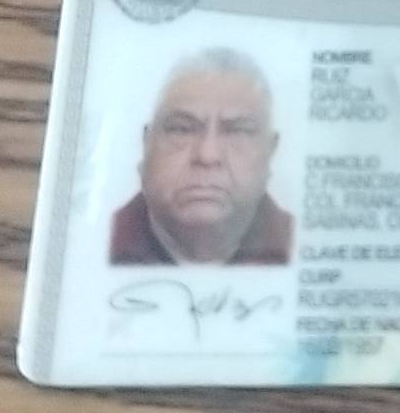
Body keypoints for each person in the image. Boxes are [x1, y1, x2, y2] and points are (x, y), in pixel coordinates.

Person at [110, 48, 293, 265]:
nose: (207, 155)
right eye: (182, 129)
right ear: (147, 144)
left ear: (270, 151)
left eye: (237, 131)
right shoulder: (92, 244)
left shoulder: (305, 247)